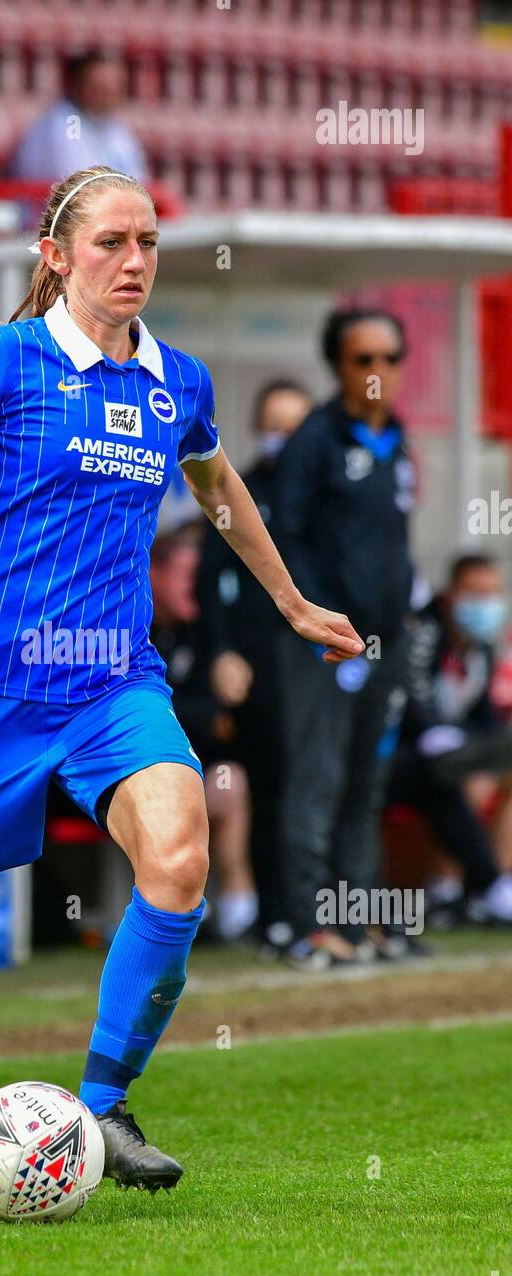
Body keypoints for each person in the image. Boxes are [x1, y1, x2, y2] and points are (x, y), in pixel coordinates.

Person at [0, 164, 364, 1206]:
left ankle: (101, 1104)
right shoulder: (5, 362)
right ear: (55, 257)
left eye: (146, 244)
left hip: (109, 681)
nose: (133, 262)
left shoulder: (176, 381)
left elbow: (216, 484)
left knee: (178, 855)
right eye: (109, 244)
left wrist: (290, 602)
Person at [274, 308, 416, 968]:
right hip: (325, 643)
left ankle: (360, 922)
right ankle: (307, 925)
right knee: (318, 782)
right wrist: (314, 618)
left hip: (387, 644)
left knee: (365, 785)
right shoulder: (315, 440)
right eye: (365, 360)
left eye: (390, 358)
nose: (379, 372)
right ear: (338, 367)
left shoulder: (400, 439)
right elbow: (285, 538)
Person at [196, 379, 313, 951]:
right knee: (268, 786)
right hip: (261, 669)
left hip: (321, 664)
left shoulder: (330, 493)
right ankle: (275, 917)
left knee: (321, 785)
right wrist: (221, 651)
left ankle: (328, 914)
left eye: (294, 430)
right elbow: (206, 580)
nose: (281, 440)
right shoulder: (239, 491)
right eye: (273, 426)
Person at [389, 553, 512, 924]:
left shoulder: (483, 649)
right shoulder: (422, 633)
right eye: (474, 593)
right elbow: (413, 705)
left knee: (497, 771)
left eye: (491, 594)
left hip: (452, 755)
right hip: (403, 757)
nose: (484, 604)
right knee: (450, 778)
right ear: (452, 594)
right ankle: (462, 888)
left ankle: (495, 882)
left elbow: (485, 720)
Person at [149, 532, 257, 943]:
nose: (198, 587)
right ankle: (176, 910)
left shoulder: (206, 635)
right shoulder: (131, 631)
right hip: (132, 777)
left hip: (194, 771)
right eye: (187, 575)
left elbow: (221, 723)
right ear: (154, 575)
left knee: (231, 781)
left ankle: (237, 911)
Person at [8, 53, 147, 184]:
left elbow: (139, 181)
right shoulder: (66, 122)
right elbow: (80, 184)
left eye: (115, 87)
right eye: (99, 87)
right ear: (76, 84)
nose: (108, 94)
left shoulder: (114, 126)